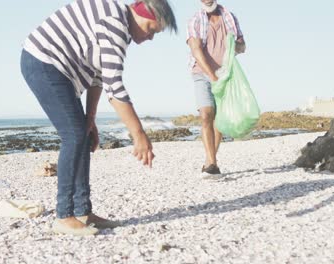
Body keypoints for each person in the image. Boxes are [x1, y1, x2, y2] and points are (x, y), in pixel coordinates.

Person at [20, 0, 177, 236]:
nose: (150, 37)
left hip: (56, 69)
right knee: (73, 136)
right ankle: (63, 216)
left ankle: (83, 212)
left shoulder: (120, 28)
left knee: (80, 131)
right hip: (43, 61)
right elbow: (115, 88)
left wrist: (90, 117)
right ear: (141, 11)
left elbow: (99, 76)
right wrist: (138, 134)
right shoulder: (115, 23)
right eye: (151, 29)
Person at [186, 0, 245, 177]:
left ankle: (211, 162)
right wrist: (212, 76)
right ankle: (212, 163)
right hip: (201, 73)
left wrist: (235, 45)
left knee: (218, 120)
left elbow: (243, 47)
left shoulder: (230, 18)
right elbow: (196, 50)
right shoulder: (195, 20)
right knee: (206, 114)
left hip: (225, 74)